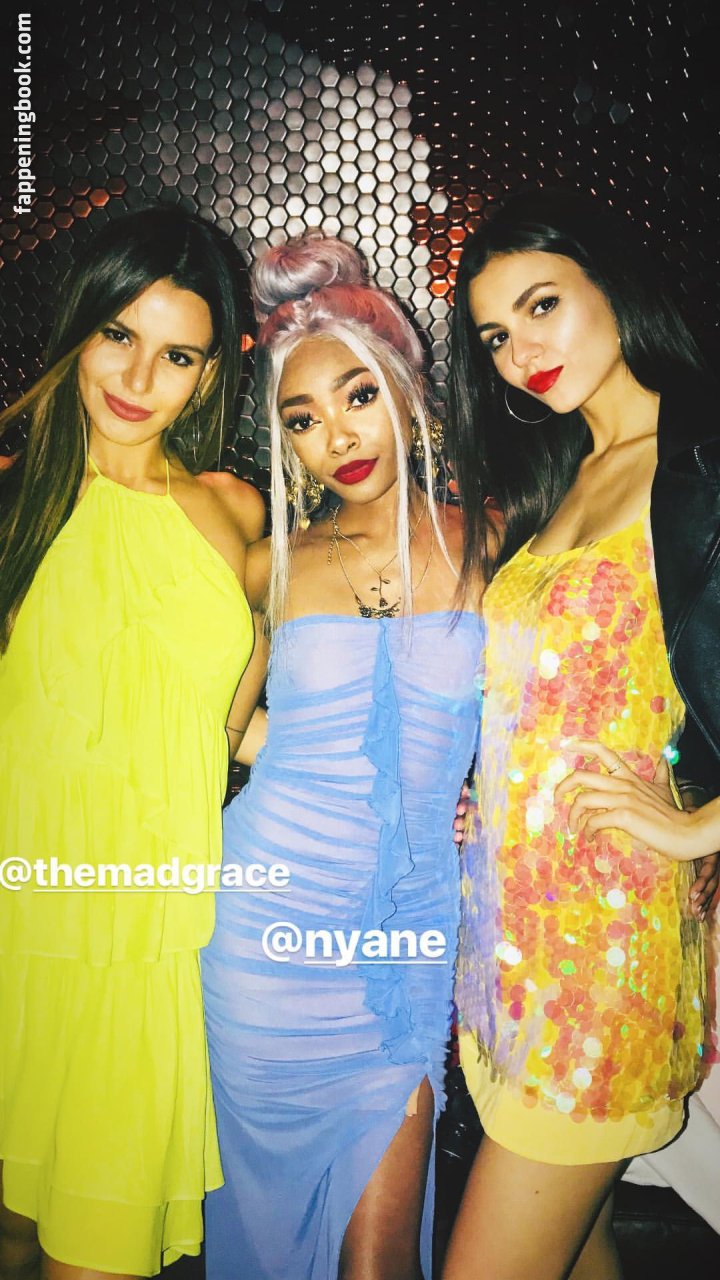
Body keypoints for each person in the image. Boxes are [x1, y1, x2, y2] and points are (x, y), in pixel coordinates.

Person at [442, 188, 718, 1280]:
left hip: (601, 957)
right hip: (506, 940)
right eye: (495, 336)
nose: (521, 353)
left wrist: (697, 827)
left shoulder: (698, 463)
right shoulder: (563, 473)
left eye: (543, 304)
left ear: (615, 285)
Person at [200, 234, 484, 1280]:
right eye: (303, 419)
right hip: (264, 934)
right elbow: (217, 726)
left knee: (377, 1260)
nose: (338, 436)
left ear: (411, 389)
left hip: (402, 935)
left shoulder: (497, 540)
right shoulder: (269, 563)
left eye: (358, 396)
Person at [0, 205, 266, 1280]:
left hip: (152, 938)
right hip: (20, 924)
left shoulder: (232, 511)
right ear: (79, 326)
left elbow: (237, 722)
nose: (139, 376)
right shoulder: (17, 499)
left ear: (209, 374)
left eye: (177, 354)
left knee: (94, 1251)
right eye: (119, 333)